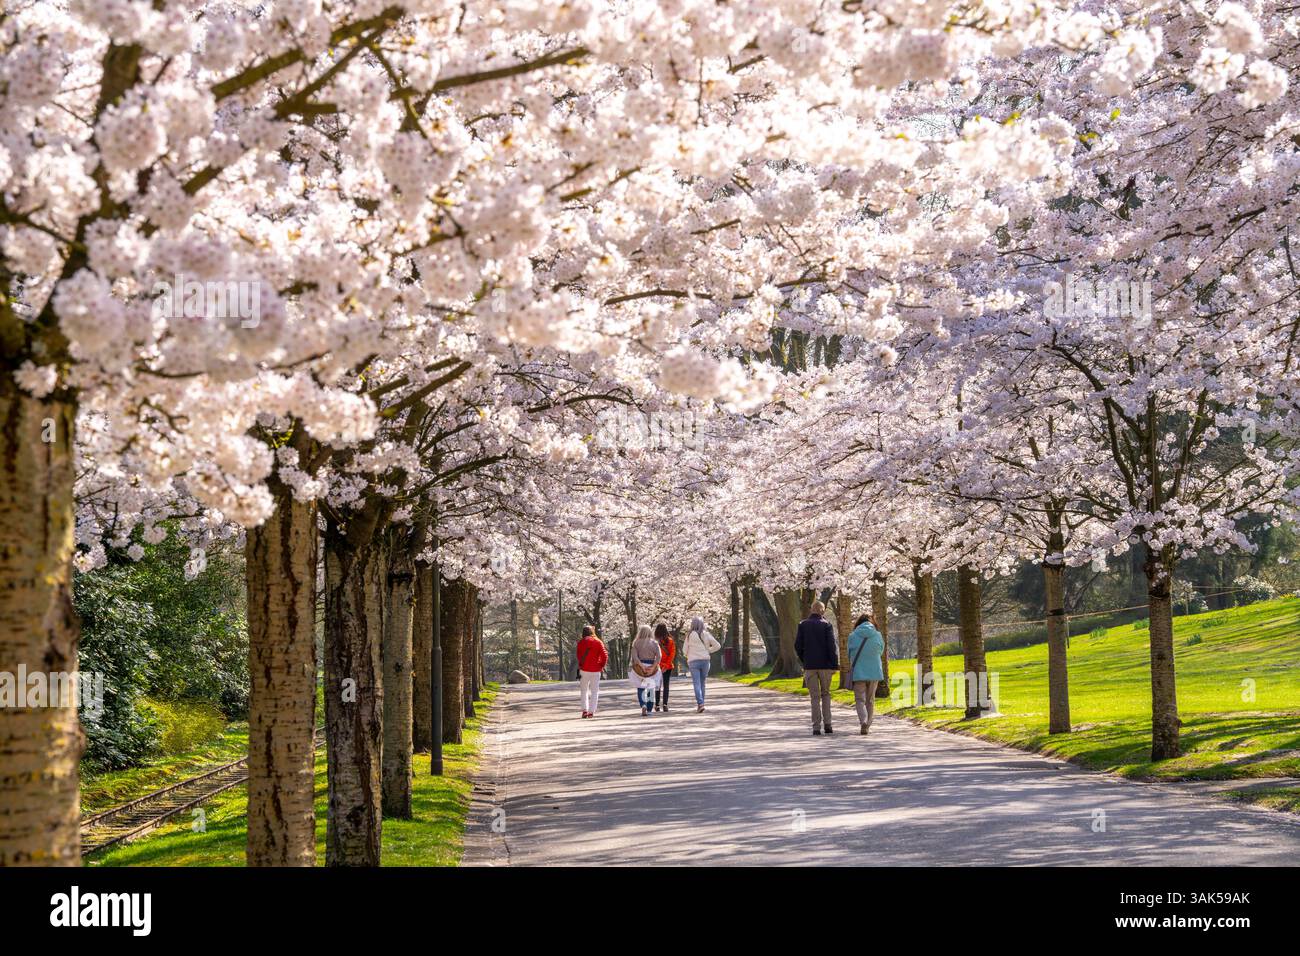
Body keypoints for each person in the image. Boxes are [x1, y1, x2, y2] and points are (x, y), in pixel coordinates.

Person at [795, 600, 839, 736]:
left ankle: (816, 727)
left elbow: (797, 645)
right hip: (825, 666)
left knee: (814, 697)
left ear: (811, 610)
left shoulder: (803, 625)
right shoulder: (827, 625)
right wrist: (834, 664)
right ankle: (828, 724)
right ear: (822, 611)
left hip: (810, 666)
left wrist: (804, 660)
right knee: (825, 694)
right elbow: (831, 646)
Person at [846, 613, 885, 735]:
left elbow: (849, 654)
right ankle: (868, 724)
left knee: (859, 700)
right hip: (874, 672)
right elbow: (881, 651)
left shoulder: (852, 636)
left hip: (858, 672)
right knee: (870, 700)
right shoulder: (877, 635)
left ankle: (863, 720)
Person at [683, 616, 722, 713]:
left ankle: (700, 704)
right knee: (702, 683)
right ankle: (702, 703)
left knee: (696, 683)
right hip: (705, 661)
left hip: (693, 661)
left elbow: (684, 650)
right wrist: (708, 650)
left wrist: (689, 654)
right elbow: (718, 646)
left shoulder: (689, 636)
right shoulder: (706, 634)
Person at [576, 625, 608, 718]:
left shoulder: (581, 642)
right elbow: (605, 655)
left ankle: (584, 710)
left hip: (584, 670)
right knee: (594, 691)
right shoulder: (598, 642)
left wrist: (582, 663)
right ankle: (591, 711)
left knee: (584, 690)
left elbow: (578, 655)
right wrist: (601, 665)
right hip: (595, 670)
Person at [629, 624, 662, 715]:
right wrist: (654, 666)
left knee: (640, 687)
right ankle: (649, 708)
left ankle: (643, 705)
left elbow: (635, 657)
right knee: (650, 688)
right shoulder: (654, 643)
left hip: (640, 667)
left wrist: (642, 666)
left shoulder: (636, 642)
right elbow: (659, 656)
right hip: (652, 665)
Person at [653, 623, 676, 712]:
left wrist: (660, 665)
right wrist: (666, 665)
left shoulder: (655, 641)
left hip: (657, 666)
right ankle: (665, 704)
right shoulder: (670, 641)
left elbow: (653, 654)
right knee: (666, 686)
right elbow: (672, 654)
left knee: (657, 685)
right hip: (668, 666)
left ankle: (657, 705)